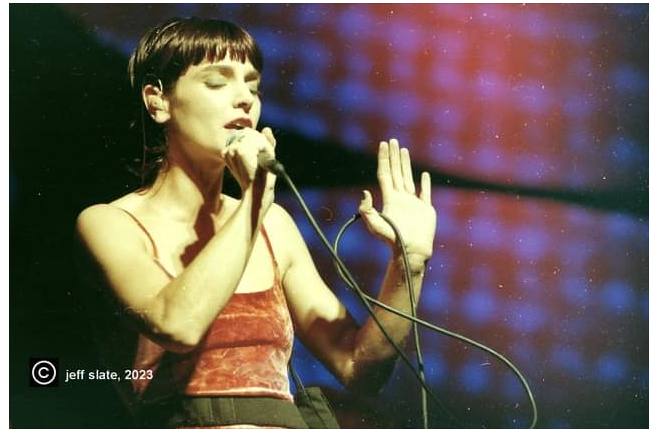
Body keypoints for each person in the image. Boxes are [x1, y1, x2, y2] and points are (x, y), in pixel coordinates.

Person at [75, 17, 437, 428]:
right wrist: (254, 201)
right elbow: (177, 324)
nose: (244, 99)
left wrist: (409, 263)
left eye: (252, 86)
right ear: (158, 101)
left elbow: (358, 368)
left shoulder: (273, 225)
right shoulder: (110, 223)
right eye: (217, 83)